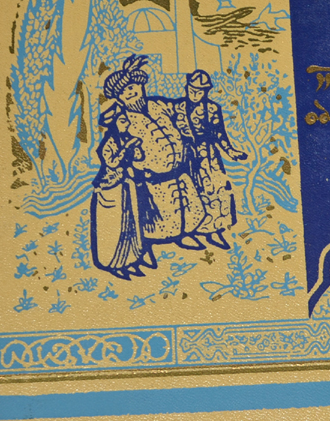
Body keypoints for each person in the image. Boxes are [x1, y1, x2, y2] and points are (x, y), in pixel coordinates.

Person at [101, 55, 207, 258]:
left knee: (189, 207)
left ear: (141, 86)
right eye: (123, 92)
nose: (130, 92)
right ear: (119, 98)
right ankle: (155, 245)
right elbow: (112, 147)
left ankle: (186, 234)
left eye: (132, 87)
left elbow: (179, 110)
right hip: (154, 178)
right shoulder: (123, 120)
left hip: (179, 170)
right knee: (164, 215)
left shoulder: (157, 105)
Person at [174, 70, 248, 250]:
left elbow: (220, 134)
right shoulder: (176, 107)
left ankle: (214, 231)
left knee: (216, 189)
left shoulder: (213, 108)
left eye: (200, 91)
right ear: (187, 87)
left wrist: (230, 151)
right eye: (192, 89)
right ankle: (188, 232)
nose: (195, 94)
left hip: (208, 155)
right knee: (187, 192)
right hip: (184, 155)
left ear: (206, 91)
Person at [89, 106, 146, 278]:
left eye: (126, 120)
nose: (127, 123)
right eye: (122, 120)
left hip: (126, 186)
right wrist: (126, 147)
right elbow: (112, 163)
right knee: (114, 226)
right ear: (113, 123)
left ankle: (129, 260)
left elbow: (139, 157)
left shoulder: (126, 138)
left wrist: (136, 147)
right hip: (110, 189)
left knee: (130, 223)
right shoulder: (108, 143)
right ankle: (113, 263)